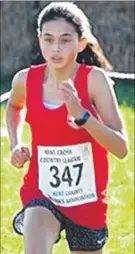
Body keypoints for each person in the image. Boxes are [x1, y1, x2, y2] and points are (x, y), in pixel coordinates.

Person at [6, 2, 128, 254]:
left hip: (86, 199)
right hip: (41, 191)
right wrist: (16, 143)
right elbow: (14, 107)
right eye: (48, 39)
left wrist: (83, 116)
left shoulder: (94, 81)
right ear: (39, 39)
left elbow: (121, 148)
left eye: (65, 40)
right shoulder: (25, 80)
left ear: (81, 43)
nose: (56, 48)